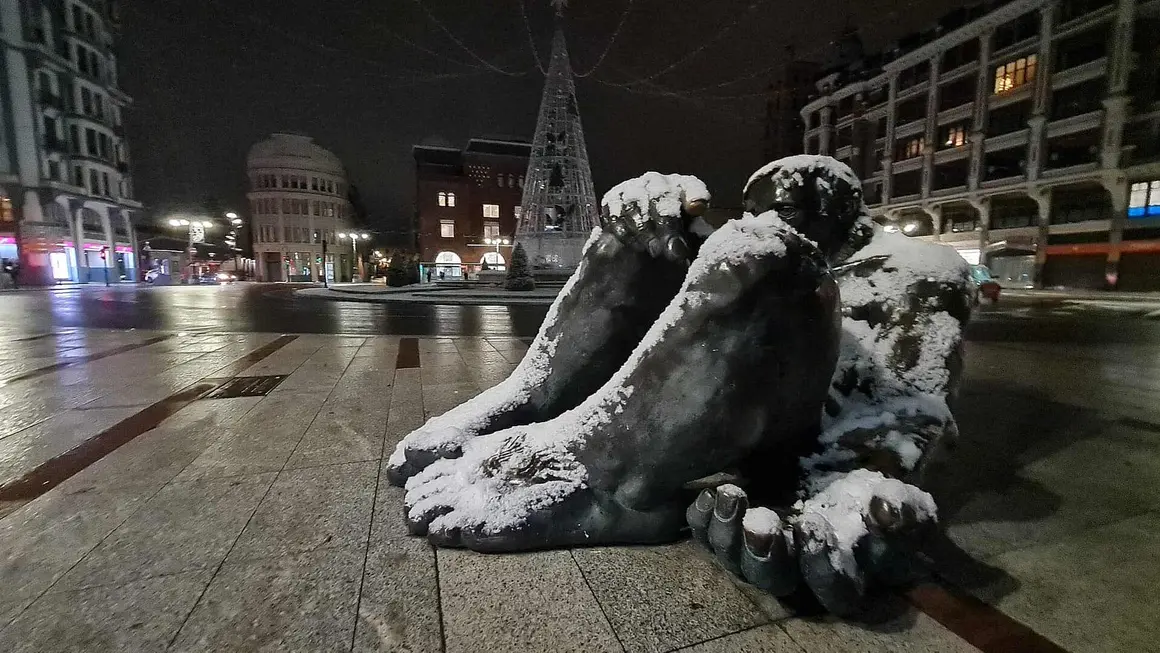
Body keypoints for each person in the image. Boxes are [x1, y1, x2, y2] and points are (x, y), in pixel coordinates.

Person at [387, 156, 970, 616]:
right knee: (641, 236)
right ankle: (531, 400)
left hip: (799, 424)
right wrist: (641, 223)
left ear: (844, 204)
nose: (776, 215)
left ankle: (610, 479)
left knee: (763, 256)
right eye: (763, 206)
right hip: (717, 405)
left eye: (793, 203)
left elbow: (909, 407)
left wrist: (862, 484)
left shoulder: (916, 270)